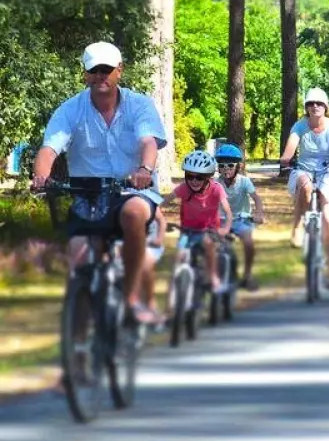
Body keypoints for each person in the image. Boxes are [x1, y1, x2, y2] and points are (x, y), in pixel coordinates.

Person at [31, 41, 166, 325]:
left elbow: (148, 142)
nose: (100, 75)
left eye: (106, 69)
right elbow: (49, 149)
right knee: (79, 259)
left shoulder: (140, 105)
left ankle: (130, 299)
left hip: (132, 190)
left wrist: (144, 169)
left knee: (134, 214)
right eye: (94, 70)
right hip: (88, 195)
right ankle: (77, 340)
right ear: (85, 74)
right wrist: (41, 175)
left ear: (120, 70)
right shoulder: (70, 110)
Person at [279, 87, 329, 290]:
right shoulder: (300, 125)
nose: (315, 106)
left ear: (325, 106)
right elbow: (291, 146)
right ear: (306, 108)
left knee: (328, 218)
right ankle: (297, 226)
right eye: (310, 103)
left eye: (319, 103)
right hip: (304, 170)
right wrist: (286, 158)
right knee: (305, 186)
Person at [159, 150, 232, 294]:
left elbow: (228, 213)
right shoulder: (183, 188)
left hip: (208, 231)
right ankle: (172, 298)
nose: (194, 181)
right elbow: (163, 203)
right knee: (178, 259)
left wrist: (226, 228)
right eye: (190, 176)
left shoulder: (217, 189)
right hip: (187, 231)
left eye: (199, 177)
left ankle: (213, 278)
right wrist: (156, 215)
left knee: (208, 245)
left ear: (208, 177)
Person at [214, 143, 265, 291]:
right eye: (222, 165)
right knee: (213, 246)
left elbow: (256, 198)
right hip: (221, 219)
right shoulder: (215, 183)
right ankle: (214, 275)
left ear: (238, 166)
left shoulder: (244, 181)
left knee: (248, 243)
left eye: (230, 165)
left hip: (241, 218)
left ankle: (247, 275)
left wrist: (258, 213)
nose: (226, 169)